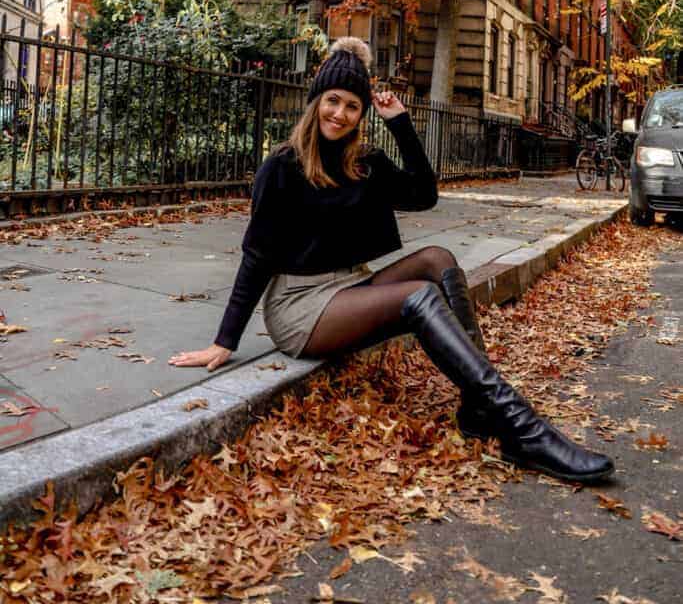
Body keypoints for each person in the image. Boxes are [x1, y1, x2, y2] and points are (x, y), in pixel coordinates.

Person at [170, 37, 614, 484]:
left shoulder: (364, 162)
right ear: (316, 102)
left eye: (352, 107)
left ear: (363, 114)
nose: (339, 115)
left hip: (347, 288)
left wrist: (401, 124)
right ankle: (522, 428)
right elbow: (256, 257)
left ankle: (481, 409)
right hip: (301, 307)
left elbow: (424, 196)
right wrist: (224, 341)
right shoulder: (282, 167)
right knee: (418, 295)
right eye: (333, 101)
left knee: (438, 259)